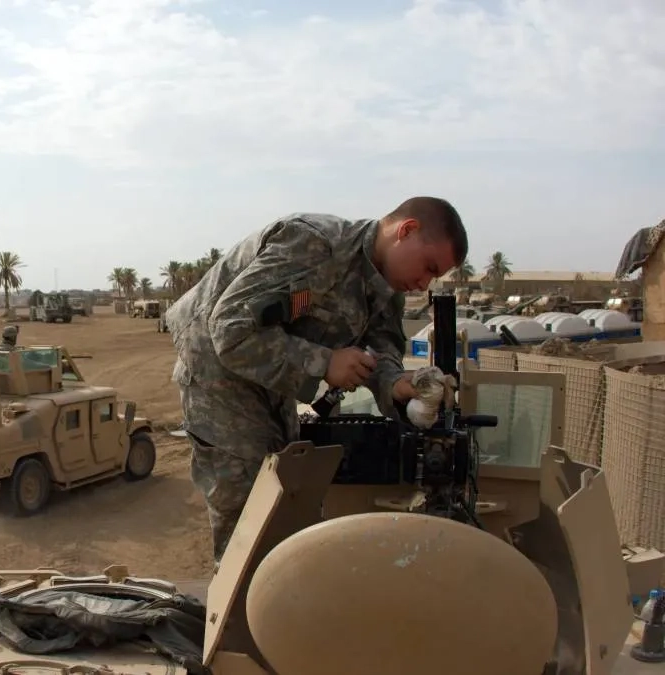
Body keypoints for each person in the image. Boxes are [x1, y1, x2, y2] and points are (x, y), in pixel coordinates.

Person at [163, 196, 469, 562]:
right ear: (406, 230)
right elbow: (230, 328)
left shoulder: (387, 287)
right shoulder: (314, 244)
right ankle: (243, 596)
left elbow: (382, 349)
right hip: (217, 376)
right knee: (249, 516)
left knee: (287, 495)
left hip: (271, 380)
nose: (423, 284)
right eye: (428, 267)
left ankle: (279, 591)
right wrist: (326, 363)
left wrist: (395, 384)